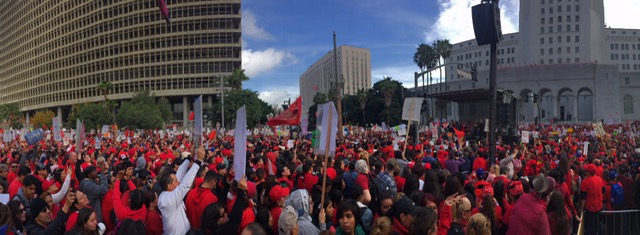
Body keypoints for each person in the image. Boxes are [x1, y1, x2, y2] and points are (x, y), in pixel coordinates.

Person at [158, 146, 204, 235]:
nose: (178, 181)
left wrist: (190, 157)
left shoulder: (169, 193)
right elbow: (184, 186)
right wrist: (198, 161)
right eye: (175, 181)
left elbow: (179, 174)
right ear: (170, 186)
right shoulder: (168, 200)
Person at [579, 164, 605, 235]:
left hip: (590, 209)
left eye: (586, 171)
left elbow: (583, 198)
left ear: (588, 172)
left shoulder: (585, 182)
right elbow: (603, 191)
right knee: (599, 227)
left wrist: (581, 209)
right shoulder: (600, 179)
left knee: (590, 229)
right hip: (599, 206)